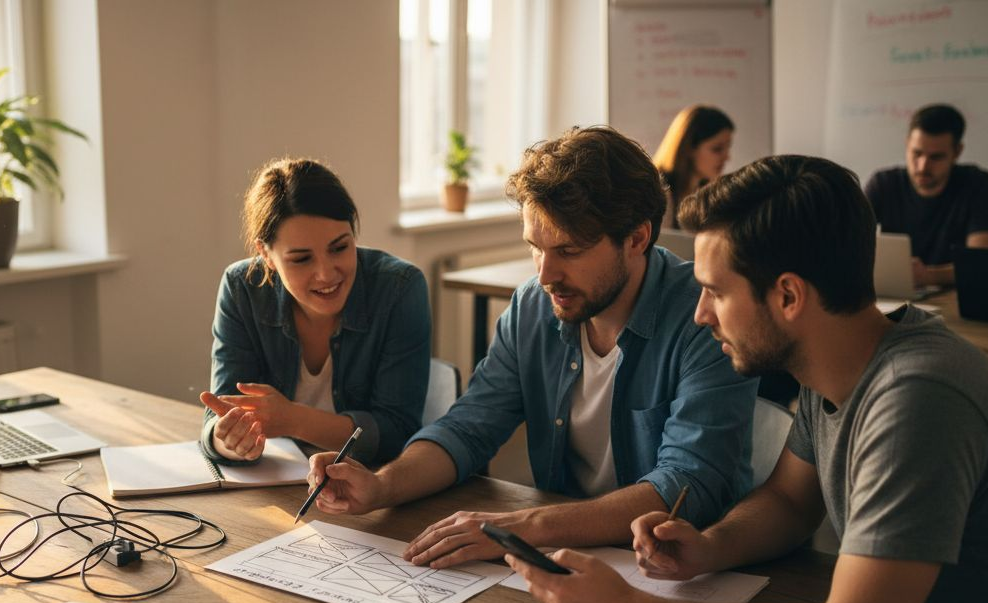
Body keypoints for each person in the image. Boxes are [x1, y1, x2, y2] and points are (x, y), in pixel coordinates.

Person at [509, 155, 988, 603]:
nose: (700, 314)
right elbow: (787, 502)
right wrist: (711, 546)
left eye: (714, 291)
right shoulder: (838, 362)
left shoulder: (918, 399)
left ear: (787, 295)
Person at [307, 126, 757, 568]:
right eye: (535, 249)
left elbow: (688, 483)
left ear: (637, 238)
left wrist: (524, 526)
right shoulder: (532, 306)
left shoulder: (705, 317)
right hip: (567, 557)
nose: (545, 276)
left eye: (569, 251)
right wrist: (382, 486)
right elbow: (469, 428)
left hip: (683, 570)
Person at [199, 158, 430, 466]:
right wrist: (231, 440)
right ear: (265, 254)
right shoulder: (242, 288)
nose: (325, 274)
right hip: (276, 485)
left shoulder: (399, 288)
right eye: (301, 259)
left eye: (339, 248)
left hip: (368, 487)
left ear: (353, 234)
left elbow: (396, 433)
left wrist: (293, 420)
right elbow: (220, 416)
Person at [864, 103, 988, 288]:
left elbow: (981, 263)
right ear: (907, 144)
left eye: (936, 157)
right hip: (894, 296)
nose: (923, 166)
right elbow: (846, 243)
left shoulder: (979, 184)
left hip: (955, 300)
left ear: (957, 152)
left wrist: (929, 276)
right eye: (917, 153)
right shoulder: (883, 183)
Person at [651, 105, 735, 231]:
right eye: (717, 149)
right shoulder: (660, 192)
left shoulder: (711, 194)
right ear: (689, 148)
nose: (727, 157)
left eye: (728, 148)